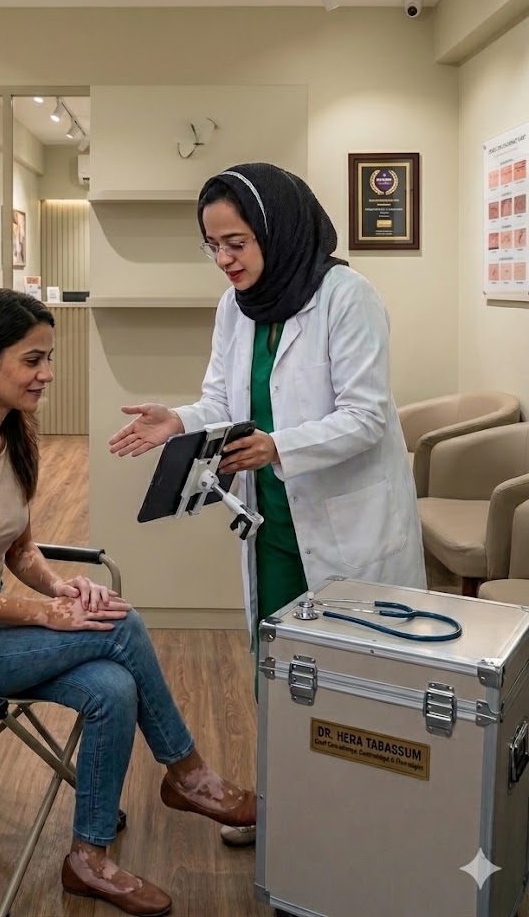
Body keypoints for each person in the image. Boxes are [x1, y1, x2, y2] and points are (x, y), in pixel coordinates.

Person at [0, 288, 256, 917]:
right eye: (31, 361)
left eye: (47, 358)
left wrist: (61, 588)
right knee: (121, 625)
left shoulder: (11, 436)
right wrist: (41, 613)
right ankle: (188, 775)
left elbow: (19, 553)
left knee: (111, 687)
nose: (46, 374)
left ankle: (89, 859)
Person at [108, 162, 426, 849]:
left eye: (236, 243)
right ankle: (286, 807)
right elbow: (223, 404)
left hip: (349, 525)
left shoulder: (348, 297)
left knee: (355, 674)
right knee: (279, 669)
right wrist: (179, 421)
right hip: (275, 525)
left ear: (277, 231)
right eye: (213, 246)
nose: (224, 260)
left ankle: (359, 823)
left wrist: (280, 447)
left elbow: (367, 417)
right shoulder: (237, 308)